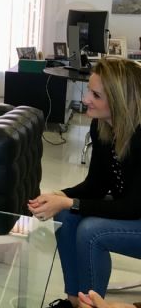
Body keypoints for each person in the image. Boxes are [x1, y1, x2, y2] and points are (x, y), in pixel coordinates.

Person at [28, 58, 141, 308]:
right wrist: (58, 196)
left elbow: (133, 207)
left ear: (120, 100)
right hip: (131, 209)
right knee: (66, 216)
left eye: (96, 95)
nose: (86, 99)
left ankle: (90, 305)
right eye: (89, 90)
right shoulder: (102, 125)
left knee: (91, 231)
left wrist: (69, 202)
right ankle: (74, 301)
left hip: (136, 210)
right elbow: (96, 186)